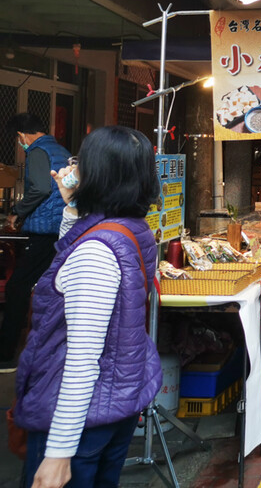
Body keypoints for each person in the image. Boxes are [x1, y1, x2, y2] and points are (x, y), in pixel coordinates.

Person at [15, 125, 161, 488]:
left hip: (80, 419)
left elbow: (82, 358)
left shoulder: (96, 252)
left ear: (97, 175)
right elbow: (74, 254)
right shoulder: (132, 229)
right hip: (115, 406)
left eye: (81, 160)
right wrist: (71, 205)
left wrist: (59, 452)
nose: (73, 165)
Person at [0, 113, 71, 371]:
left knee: (17, 286)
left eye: (18, 139)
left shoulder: (38, 152)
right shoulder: (61, 150)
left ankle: (6, 352)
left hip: (43, 231)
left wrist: (17, 212)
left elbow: (40, 189)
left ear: (22, 135)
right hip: (60, 228)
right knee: (48, 287)